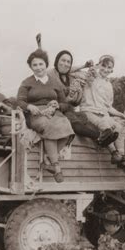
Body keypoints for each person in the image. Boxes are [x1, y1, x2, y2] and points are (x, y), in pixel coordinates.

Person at [15, 49, 75, 183]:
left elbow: (65, 104)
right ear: (31, 67)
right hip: (36, 115)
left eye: (41, 64)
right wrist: (29, 107)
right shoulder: (26, 83)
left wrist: (57, 105)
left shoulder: (55, 82)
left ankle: (47, 158)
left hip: (54, 113)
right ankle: (56, 166)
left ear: (46, 64)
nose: (38, 68)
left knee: (68, 128)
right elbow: (19, 102)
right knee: (48, 126)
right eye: (34, 65)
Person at [47, 50, 117, 147]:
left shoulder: (73, 79)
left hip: (69, 108)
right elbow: (68, 70)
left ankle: (104, 140)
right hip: (57, 108)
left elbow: (76, 103)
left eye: (68, 62)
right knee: (77, 123)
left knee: (83, 119)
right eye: (63, 60)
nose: (65, 64)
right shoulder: (53, 73)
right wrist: (84, 66)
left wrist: (78, 92)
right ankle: (100, 137)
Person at [80, 55, 125, 164]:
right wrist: (87, 67)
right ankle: (112, 151)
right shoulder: (91, 76)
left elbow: (108, 107)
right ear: (98, 65)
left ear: (112, 70)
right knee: (105, 125)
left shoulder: (109, 85)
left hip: (102, 113)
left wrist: (122, 115)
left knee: (119, 127)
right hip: (88, 111)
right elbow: (77, 74)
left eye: (109, 68)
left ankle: (120, 157)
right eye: (104, 66)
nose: (106, 69)